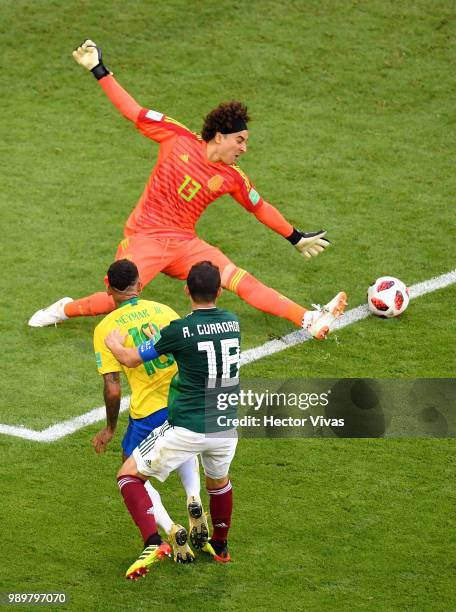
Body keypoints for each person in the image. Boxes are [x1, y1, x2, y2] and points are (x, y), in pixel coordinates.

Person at [28, 39, 347, 338]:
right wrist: (99, 69)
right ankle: (63, 309)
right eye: (240, 140)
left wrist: (295, 236)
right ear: (219, 136)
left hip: (184, 244)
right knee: (113, 302)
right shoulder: (176, 137)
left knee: (236, 277)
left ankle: (307, 319)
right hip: (145, 237)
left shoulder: (233, 177)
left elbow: (258, 206)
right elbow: (133, 111)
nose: (244, 148)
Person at [105, 261, 241, 580]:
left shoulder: (180, 330)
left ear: (186, 290)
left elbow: (131, 358)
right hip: (225, 426)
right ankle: (220, 547)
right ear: (219, 292)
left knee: (128, 476)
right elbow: (195, 354)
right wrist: (166, 343)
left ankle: (154, 542)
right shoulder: (233, 323)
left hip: (188, 428)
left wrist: (114, 344)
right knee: (219, 483)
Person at [93, 258, 207, 563]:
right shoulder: (165, 311)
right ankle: (193, 496)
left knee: (132, 476)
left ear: (108, 288)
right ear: (140, 285)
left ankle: (169, 529)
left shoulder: (106, 328)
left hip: (147, 414)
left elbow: (113, 387)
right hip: (181, 402)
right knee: (182, 444)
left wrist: (110, 428)